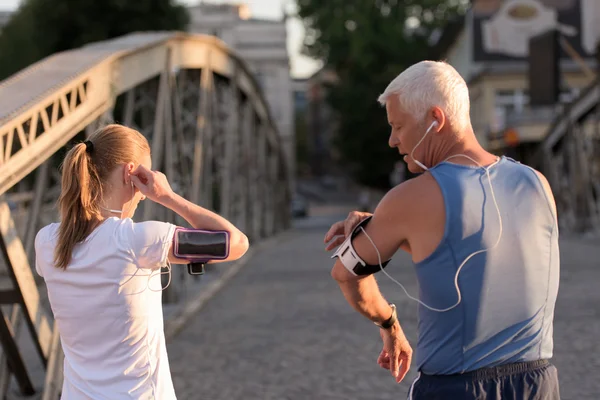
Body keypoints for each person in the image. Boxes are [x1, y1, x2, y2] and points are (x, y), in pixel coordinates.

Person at [324, 61, 560, 399]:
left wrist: (389, 323)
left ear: (435, 119)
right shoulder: (537, 183)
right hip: (537, 383)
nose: (392, 140)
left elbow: (345, 274)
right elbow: (489, 254)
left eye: (397, 126)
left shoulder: (410, 198)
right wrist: (401, 232)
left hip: (458, 387)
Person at [34, 124, 249, 399]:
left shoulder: (47, 242)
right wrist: (167, 196)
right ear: (130, 173)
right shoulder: (138, 241)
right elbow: (237, 243)